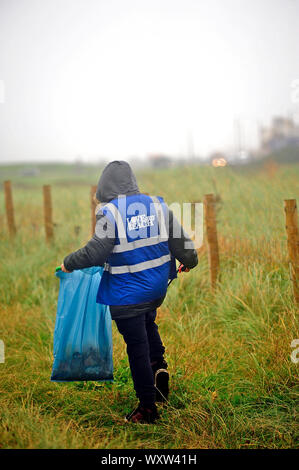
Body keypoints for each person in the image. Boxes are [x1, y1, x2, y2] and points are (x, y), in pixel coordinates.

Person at [61, 161, 198, 424]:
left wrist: (69, 262)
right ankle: (159, 375)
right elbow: (182, 244)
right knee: (148, 323)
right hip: (156, 288)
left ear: (105, 186)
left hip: (126, 293)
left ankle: (147, 409)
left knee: (136, 346)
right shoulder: (157, 205)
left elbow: (96, 252)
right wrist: (189, 261)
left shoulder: (108, 212)